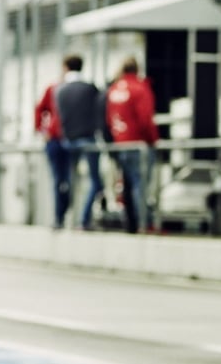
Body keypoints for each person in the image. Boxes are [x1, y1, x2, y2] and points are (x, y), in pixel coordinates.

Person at [105, 56, 159, 234]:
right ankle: (143, 224)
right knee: (140, 184)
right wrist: (153, 141)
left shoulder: (114, 89)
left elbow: (108, 119)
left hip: (121, 144)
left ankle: (131, 224)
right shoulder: (139, 88)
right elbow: (145, 120)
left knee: (128, 185)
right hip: (138, 144)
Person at [53, 54, 103, 231]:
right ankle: (83, 219)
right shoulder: (90, 89)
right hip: (88, 139)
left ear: (66, 67)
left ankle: (64, 219)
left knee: (67, 181)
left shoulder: (59, 90)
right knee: (96, 182)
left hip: (68, 141)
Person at [34, 65, 69, 229]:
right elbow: (39, 109)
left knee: (68, 180)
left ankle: (63, 213)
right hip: (55, 139)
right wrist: (41, 130)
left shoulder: (72, 89)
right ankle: (58, 217)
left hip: (69, 138)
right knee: (57, 180)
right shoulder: (53, 88)